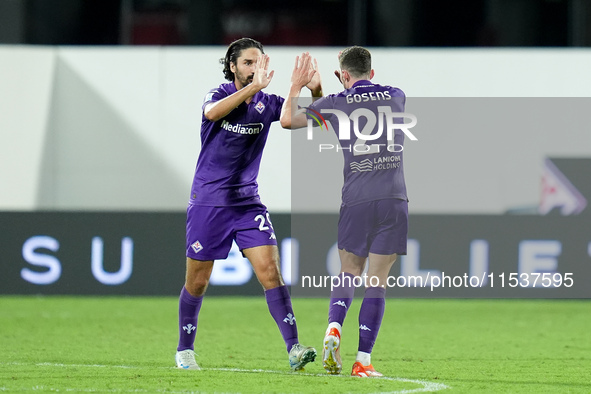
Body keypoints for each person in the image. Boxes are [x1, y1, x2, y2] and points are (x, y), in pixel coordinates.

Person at [176, 38, 322, 371]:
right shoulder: (217, 95)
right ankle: (185, 349)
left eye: (259, 62)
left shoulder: (267, 103)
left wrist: (311, 89)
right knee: (197, 282)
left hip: (247, 204)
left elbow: (314, 120)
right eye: (247, 63)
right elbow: (212, 113)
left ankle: (294, 348)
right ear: (232, 66)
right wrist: (251, 89)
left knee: (271, 272)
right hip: (209, 203)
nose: (254, 68)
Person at [280, 47, 409, 377]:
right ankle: (363, 362)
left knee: (349, 271)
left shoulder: (336, 103)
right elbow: (364, 97)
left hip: (356, 200)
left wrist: (300, 86)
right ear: (372, 72)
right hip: (393, 199)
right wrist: (341, 86)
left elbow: (288, 121)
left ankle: (333, 328)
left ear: (343, 75)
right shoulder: (396, 96)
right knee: (377, 281)